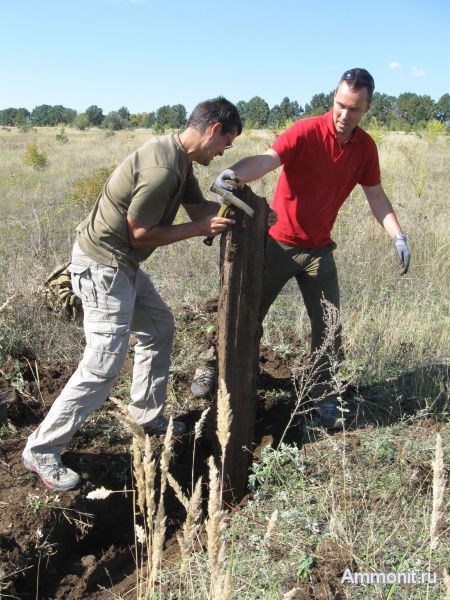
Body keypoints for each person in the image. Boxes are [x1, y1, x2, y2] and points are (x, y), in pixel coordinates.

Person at [22, 97, 242, 491]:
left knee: (159, 326)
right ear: (214, 129)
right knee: (104, 363)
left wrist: (239, 211)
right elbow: (141, 233)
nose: (226, 151)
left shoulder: (180, 159)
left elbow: (197, 209)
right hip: (103, 264)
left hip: (123, 264)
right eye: (227, 141)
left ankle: (147, 415)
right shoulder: (162, 169)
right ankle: (41, 448)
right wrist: (200, 230)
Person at [191, 69, 411, 429]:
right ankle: (209, 364)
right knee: (246, 309)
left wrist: (397, 235)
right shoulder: (306, 130)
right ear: (333, 100)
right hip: (277, 243)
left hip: (319, 250)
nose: (344, 115)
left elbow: (376, 196)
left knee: (329, 325)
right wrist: (232, 173)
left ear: (367, 107)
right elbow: (266, 160)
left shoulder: (365, 147)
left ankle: (324, 396)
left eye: (354, 109)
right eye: (340, 105)